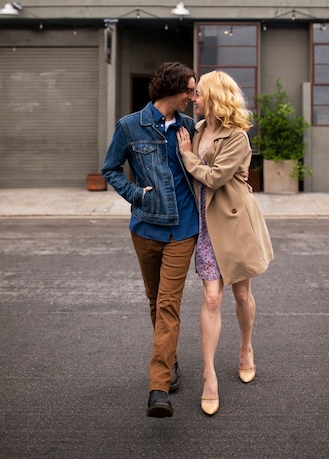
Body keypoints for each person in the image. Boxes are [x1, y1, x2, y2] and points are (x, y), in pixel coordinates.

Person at [102, 61, 199, 419]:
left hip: (183, 229)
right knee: (155, 299)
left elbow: (207, 164)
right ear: (173, 90)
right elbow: (110, 169)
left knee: (168, 305)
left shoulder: (190, 127)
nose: (193, 96)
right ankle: (170, 360)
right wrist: (135, 194)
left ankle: (158, 387)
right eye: (189, 90)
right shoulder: (130, 127)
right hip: (145, 228)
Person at [177, 70, 274, 416]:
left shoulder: (238, 138)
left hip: (232, 222)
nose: (194, 98)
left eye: (199, 93)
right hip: (204, 223)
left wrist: (189, 157)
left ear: (215, 96)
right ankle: (209, 375)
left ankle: (246, 347)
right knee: (212, 297)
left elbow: (216, 178)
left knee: (242, 294)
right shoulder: (198, 129)